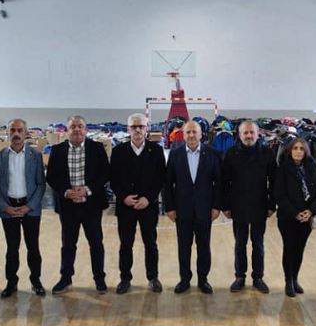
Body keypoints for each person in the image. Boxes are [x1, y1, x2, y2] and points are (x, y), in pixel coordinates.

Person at [47, 115, 110, 294]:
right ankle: (65, 278)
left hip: (91, 205)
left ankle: (99, 279)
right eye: (72, 126)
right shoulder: (57, 150)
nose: (76, 129)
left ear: (86, 129)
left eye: (80, 126)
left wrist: (87, 190)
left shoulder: (97, 148)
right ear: (67, 130)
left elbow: (105, 174)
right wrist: (66, 191)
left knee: (96, 243)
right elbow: (51, 177)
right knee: (68, 244)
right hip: (68, 206)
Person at [109, 113, 166, 294]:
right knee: (126, 244)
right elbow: (113, 179)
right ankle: (125, 278)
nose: (138, 130)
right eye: (134, 127)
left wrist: (148, 198)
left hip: (148, 206)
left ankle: (153, 277)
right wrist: (123, 197)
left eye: (141, 126)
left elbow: (160, 178)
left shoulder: (156, 151)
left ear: (147, 129)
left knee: (151, 243)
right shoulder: (118, 151)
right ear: (128, 129)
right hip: (126, 206)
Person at [164, 121, 222, 294]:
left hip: (205, 209)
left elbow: (219, 183)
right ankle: (184, 279)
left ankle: (203, 280)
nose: (191, 135)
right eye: (188, 132)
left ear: (201, 134)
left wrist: (216, 206)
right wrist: (169, 207)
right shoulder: (175, 154)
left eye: (194, 132)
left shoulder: (213, 153)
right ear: (183, 134)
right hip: (182, 210)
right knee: (184, 247)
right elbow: (168, 183)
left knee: (204, 247)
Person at [0, 118, 46, 298]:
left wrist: (29, 206)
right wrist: (5, 207)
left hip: (30, 208)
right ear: (7, 132)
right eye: (12, 130)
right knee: (12, 248)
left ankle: (36, 281)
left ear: (26, 133)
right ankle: (11, 283)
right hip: (9, 209)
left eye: (19, 130)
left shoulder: (35, 156)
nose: (16, 134)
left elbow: (41, 184)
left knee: (33, 247)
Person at [221, 120, 276, 294]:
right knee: (240, 244)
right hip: (238, 206)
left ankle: (258, 277)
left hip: (260, 205)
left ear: (258, 134)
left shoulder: (267, 153)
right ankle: (240, 276)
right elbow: (224, 182)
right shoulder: (230, 153)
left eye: (252, 132)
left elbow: (274, 181)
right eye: (245, 133)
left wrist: (271, 205)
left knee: (258, 244)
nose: (249, 136)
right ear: (239, 134)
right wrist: (226, 206)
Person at [275, 138, 316, 298]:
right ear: (290, 151)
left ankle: (295, 278)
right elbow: (279, 194)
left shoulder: (313, 167)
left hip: (307, 217)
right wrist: (295, 213)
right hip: (288, 217)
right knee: (289, 248)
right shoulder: (283, 168)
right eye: (295, 148)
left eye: (301, 148)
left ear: (306, 151)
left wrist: (310, 211)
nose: (298, 151)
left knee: (299, 249)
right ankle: (288, 280)